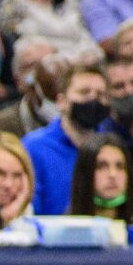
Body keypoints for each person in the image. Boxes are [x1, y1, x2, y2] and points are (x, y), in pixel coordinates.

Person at [23, 59, 115, 216]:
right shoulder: (34, 147)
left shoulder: (112, 149)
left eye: (101, 94)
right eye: (84, 92)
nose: (93, 99)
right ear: (62, 101)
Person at [70, 133, 133, 229]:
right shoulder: (64, 231)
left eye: (120, 166)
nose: (113, 174)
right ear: (85, 173)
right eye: (102, 166)